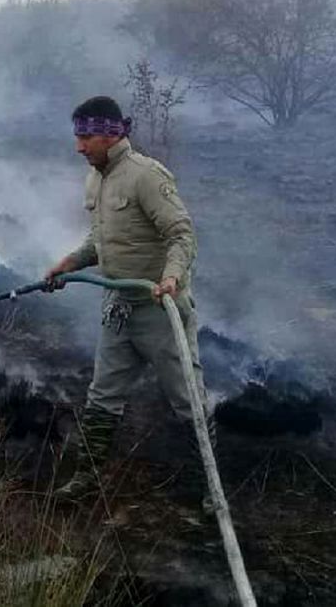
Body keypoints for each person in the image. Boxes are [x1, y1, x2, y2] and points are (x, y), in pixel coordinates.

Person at [45, 96, 214, 513]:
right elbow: (100, 241)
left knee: (186, 399)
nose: (79, 147)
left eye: (86, 137)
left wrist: (170, 279)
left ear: (111, 133)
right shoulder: (96, 179)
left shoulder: (146, 176)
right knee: (102, 396)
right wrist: (69, 263)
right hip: (119, 307)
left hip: (161, 311)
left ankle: (212, 486)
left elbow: (182, 235)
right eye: (77, 136)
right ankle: (86, 479)